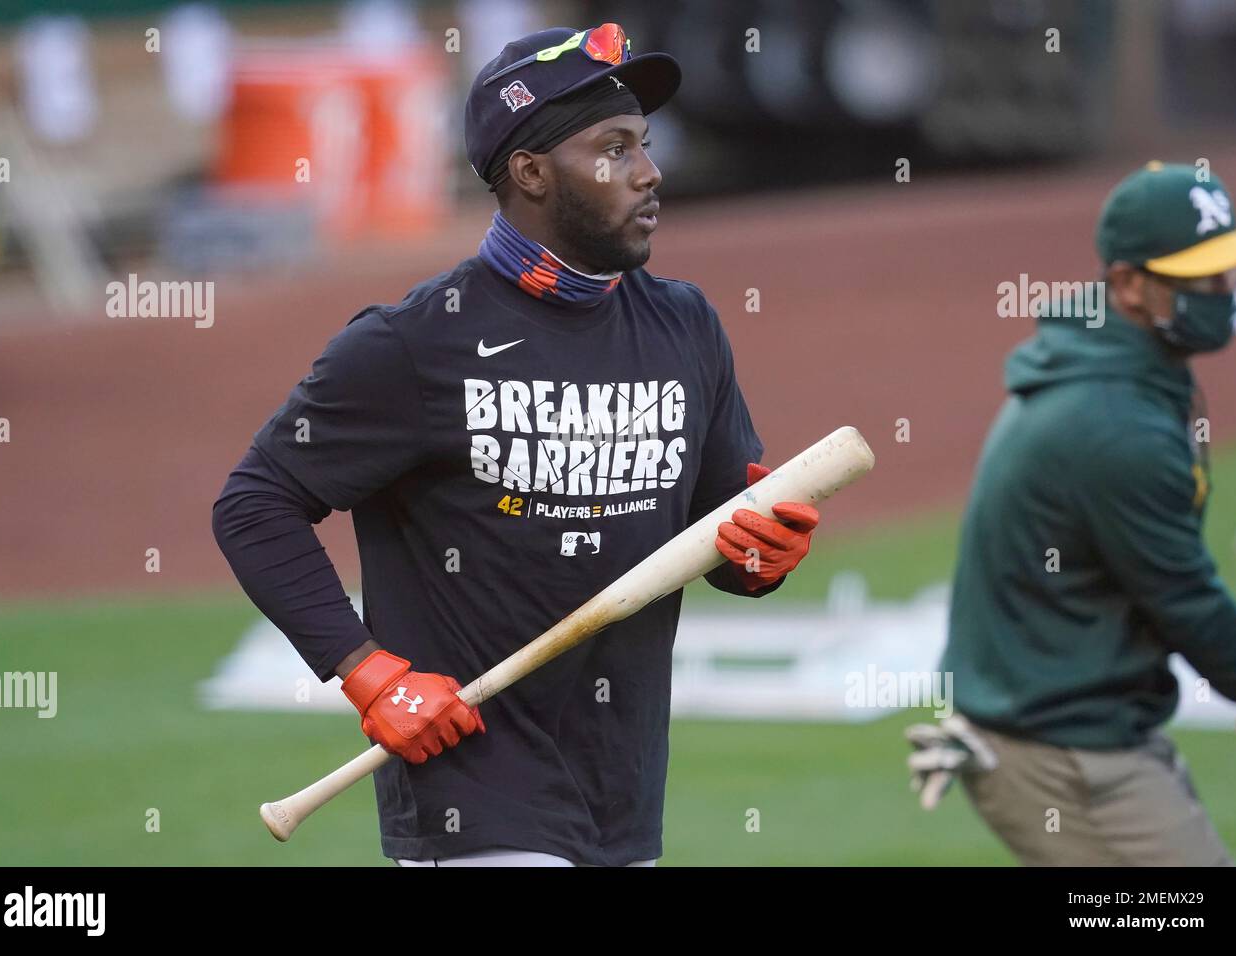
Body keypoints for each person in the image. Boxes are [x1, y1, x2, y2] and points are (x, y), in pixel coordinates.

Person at [211, 23, 820, 868]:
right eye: (612, 149)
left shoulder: (685, 325)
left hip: (624, 793)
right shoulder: (415, 343)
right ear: (531, 172)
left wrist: (761, 558)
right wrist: (367, 673)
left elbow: (720, 540)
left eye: (643, 144)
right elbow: (255, 504)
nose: (648, 173)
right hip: (471, 798)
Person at [909, 162, 1236, 866]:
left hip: (1070, 725)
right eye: (1201, 280)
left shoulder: (1118, 369)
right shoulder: (1112, 422)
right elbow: (1183, 597)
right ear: (1129, 284)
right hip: (1060, 750)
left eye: (1228, 274)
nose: (1226, 295)